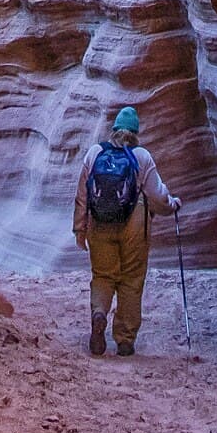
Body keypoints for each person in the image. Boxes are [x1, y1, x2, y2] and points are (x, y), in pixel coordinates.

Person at [73, 104, 178, 356]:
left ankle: (99, 314)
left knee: (103, 275)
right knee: (131, 279)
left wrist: (80, 228)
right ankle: (125, 339)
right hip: (134, 224)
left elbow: (82, 195)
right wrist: (173, 205)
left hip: (100, 223)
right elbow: (157, 196)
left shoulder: (95, 153)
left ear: (114, 129)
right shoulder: (141, 156)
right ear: (135, 132)